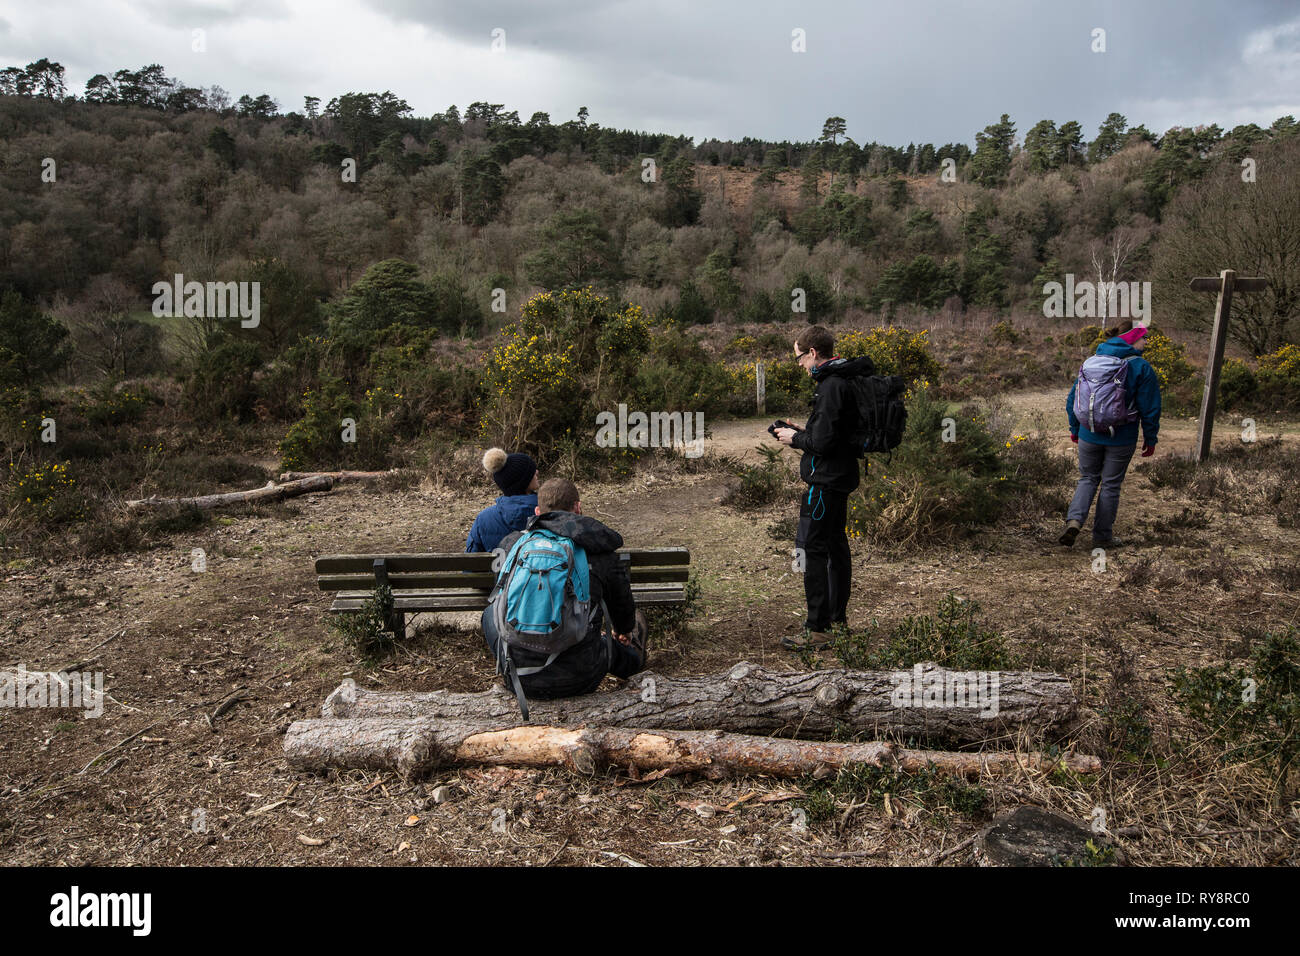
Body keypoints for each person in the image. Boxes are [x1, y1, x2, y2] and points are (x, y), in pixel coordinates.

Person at [482, 477, 648, 700]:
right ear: (578, 508)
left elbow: (501, 592)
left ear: (538, 511)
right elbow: (621, 605)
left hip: (519, 677)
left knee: (489, 612)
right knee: (608, 640)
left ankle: (518, 655)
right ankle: (634, 659)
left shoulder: (511, 544)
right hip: (581, 678)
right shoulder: (599, 551)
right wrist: (624, 630)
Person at [774, 325, 873, 651]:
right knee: (835, 550)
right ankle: (837, 622)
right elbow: (832, 433)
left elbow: (822, 442)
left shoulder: (830, 386)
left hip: (824, 484)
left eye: (800, 358)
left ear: (813, 353)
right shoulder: (843, 379)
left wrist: (795, 438)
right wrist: (806, 430)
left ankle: (818, 628)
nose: (800, 365)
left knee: (810, 551)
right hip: (840, 480)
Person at [1061, 320, 1162, 549]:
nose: (1146, 342)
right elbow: (1150, 408)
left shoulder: (1093, 360)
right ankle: (1102, 537)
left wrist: (1075, 429)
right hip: (1122, 436)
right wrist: (1150, 437)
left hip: (1089, 433)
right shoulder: (1140, 366)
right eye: (1143, 337)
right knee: (1110, 485)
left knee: (1087, 478)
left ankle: (1074, 521)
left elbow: (1072, 399)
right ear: (1132, 338)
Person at [465, 448, 539, 553]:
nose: (537, 472)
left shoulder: (484, 519)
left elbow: (470, 563)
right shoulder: (550, 512)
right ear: (522, 481)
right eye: (531, 471)